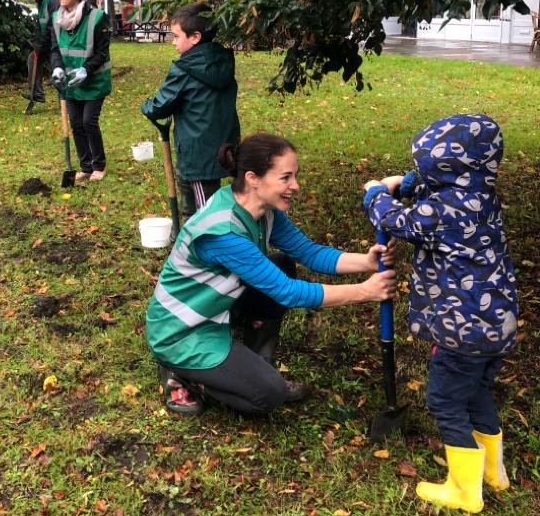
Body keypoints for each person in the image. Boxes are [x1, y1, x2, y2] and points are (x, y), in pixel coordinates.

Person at [146, 133, 397, 417]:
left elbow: (310, 252)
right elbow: (288, 293)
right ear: (253, 178)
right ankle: (183, 372)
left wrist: (366, 262)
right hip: (182, 330)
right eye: (285, 178)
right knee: (268, 396)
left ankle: (252, 362)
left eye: (295, 176)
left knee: (281, 263)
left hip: (213, 311)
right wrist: (366, 291)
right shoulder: (224, 232)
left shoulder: (261, 209)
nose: (295, 186)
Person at [363, 113, 518, 514]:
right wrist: (409, 183)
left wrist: (376, 192)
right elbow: (439, 187)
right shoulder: (484, 196)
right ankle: (494, 473)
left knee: (446, 401)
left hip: (462, 331)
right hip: (497, 325)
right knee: (477, 391)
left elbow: (394, 220)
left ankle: (465, 490)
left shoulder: (439, 212)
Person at [141, 3, 240, 218]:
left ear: (195, 37)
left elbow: (160, 106)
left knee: (204, 212)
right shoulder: (222, 60)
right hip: (224, 145)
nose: (173, 42)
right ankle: (186, 237)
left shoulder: (184, 68)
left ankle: (204, 244)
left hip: (197, 151)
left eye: (176, 36)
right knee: (202, 197)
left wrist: (147, 105)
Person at [49, 0, 111, 182]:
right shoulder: (56, 19)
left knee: (88, 122)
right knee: (76, 123)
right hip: (70, 83)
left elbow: (102, 53)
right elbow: (55, 49)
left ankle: (99, 165)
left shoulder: (98, 18)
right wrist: (57, 68)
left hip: (93, 81)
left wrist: (85, 69)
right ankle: (85, 167)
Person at [24, 0, 59, 109]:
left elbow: (52, 26)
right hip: (47, 43)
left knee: (57, 71)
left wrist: (42, 44)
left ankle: (67, 100)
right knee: (33, 59)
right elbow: (40, 25)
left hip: (57, 44)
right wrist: (37, 42)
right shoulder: (40, 1)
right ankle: (37, 93)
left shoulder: (53, 0)